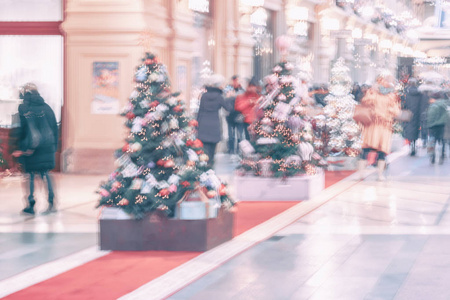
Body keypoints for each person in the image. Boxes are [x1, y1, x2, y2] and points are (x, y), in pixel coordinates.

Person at [12, 83, 58, 215]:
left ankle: (31, 204)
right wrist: (54, 147)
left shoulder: (23, 108)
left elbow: (20, 130)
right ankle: (51, 202)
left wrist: (18, 148)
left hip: (31, 149)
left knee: (30, 175)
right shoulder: (47, 108)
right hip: (48, 147)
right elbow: (54, 128)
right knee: (46, 173)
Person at [358, 73, 401, 181]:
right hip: (376, 125)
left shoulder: (389, 95)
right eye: (385, 80)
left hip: (381, 126)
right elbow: (366, 102)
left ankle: (376, 174)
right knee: (371, 149)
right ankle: (366, 173)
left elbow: (395, 110)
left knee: (378, 150)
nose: (387, 82)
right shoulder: (376, 93)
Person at [197, 74, 230, 168]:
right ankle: (211, 164)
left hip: (203, 123)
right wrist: (229, 98)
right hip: (214, 124)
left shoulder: (204, 96)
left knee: (205, 147)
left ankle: (205, 164)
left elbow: (200, 111)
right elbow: (228, 108)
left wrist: (197, 124)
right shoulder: (220, 97)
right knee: (213, 147)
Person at [402, 78, 427, 156]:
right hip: (417, 114)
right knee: (416, 130)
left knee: (409, 129)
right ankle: (414, 144)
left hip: (409, 113)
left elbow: (404, 103)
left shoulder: (406, 92)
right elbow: (423, 104)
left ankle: (411, 146)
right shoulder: (419, 93)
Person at [223, 75, 245, 155]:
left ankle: (240, 149)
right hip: (230, 115)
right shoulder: (228, 89)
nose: (236, 82)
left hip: (239, 115)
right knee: (231, 134)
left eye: (238, 80)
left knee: (240, 134)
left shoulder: (242, 90)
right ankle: (231, 149)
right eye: (235, 80)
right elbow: (224, 100)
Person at [426, 91, 449, 164]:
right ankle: (442, 155)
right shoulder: (445, 105)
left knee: (432, 140)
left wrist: (428, 124)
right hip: (442, 125)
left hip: (433, 126)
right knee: (442, 141)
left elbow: (430, 116)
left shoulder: (433, 106)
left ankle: (432, 156)